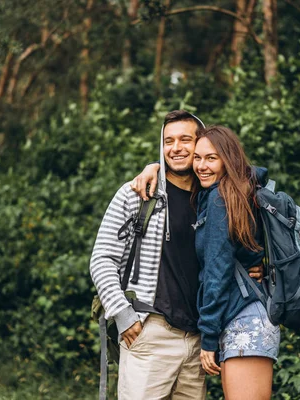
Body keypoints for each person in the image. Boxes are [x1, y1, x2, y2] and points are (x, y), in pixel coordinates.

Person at [89, 111, 262, 400]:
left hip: (197, 341)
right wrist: (124, 316)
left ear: (202, 144)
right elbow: (102, 258)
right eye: (168, 141)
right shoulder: (138, 193)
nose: (176, 148)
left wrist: (253, 269)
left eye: (185, 139)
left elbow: (223, 257)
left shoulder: (213, 196)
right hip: (150, 333)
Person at [192, 125, 280, 400]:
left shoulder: (221, 199)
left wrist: (208, 337)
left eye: (211, 158)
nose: (202, 166)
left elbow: (218, 272)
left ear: (227, 159)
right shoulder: (233, 192)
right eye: (198, 157)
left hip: (244, 318)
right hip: (241, 314)